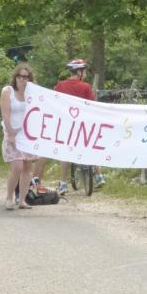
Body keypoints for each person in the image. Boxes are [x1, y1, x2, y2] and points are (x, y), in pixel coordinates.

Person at [38, 59, 106, 194]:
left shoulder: (60, 86)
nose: (85, 73)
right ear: (79, 72)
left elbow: (54, 104)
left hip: (66, 124)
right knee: (89, 146)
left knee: (65, 152)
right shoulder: (85, 86)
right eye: (84, 71)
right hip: (82, 124)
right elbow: (91, 105)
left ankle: (63, 183)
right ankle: (98, 175)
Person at [0, 63, 37, 210]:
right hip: (12, 132)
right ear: (15, 77)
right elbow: (5, 113)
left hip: (27, 134)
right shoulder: (8, 91)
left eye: (26, 77)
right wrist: (10, 133)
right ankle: (9, 197)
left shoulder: (32, 94)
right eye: (20, 76)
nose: (22, 79)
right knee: (17, 166)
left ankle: (22, 199)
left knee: (27, 167)